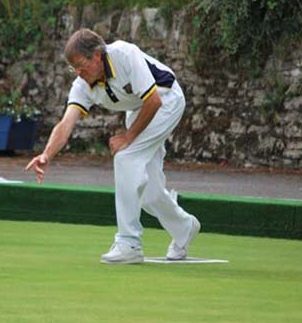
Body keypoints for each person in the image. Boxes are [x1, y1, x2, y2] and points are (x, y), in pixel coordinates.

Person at [25, 28, 200, 264]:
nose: (77, 72)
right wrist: (47, 155)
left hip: (166, 99)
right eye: (72, 67)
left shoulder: (125, 54)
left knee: (125, 157)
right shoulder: (82, 85)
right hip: (139, 110)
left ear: (97, 55)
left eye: (80, 64)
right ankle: (184, 227)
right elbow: (66, 123)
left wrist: (128, 136)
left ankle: (129, 243)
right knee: (150, 194)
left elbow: (154, 101)